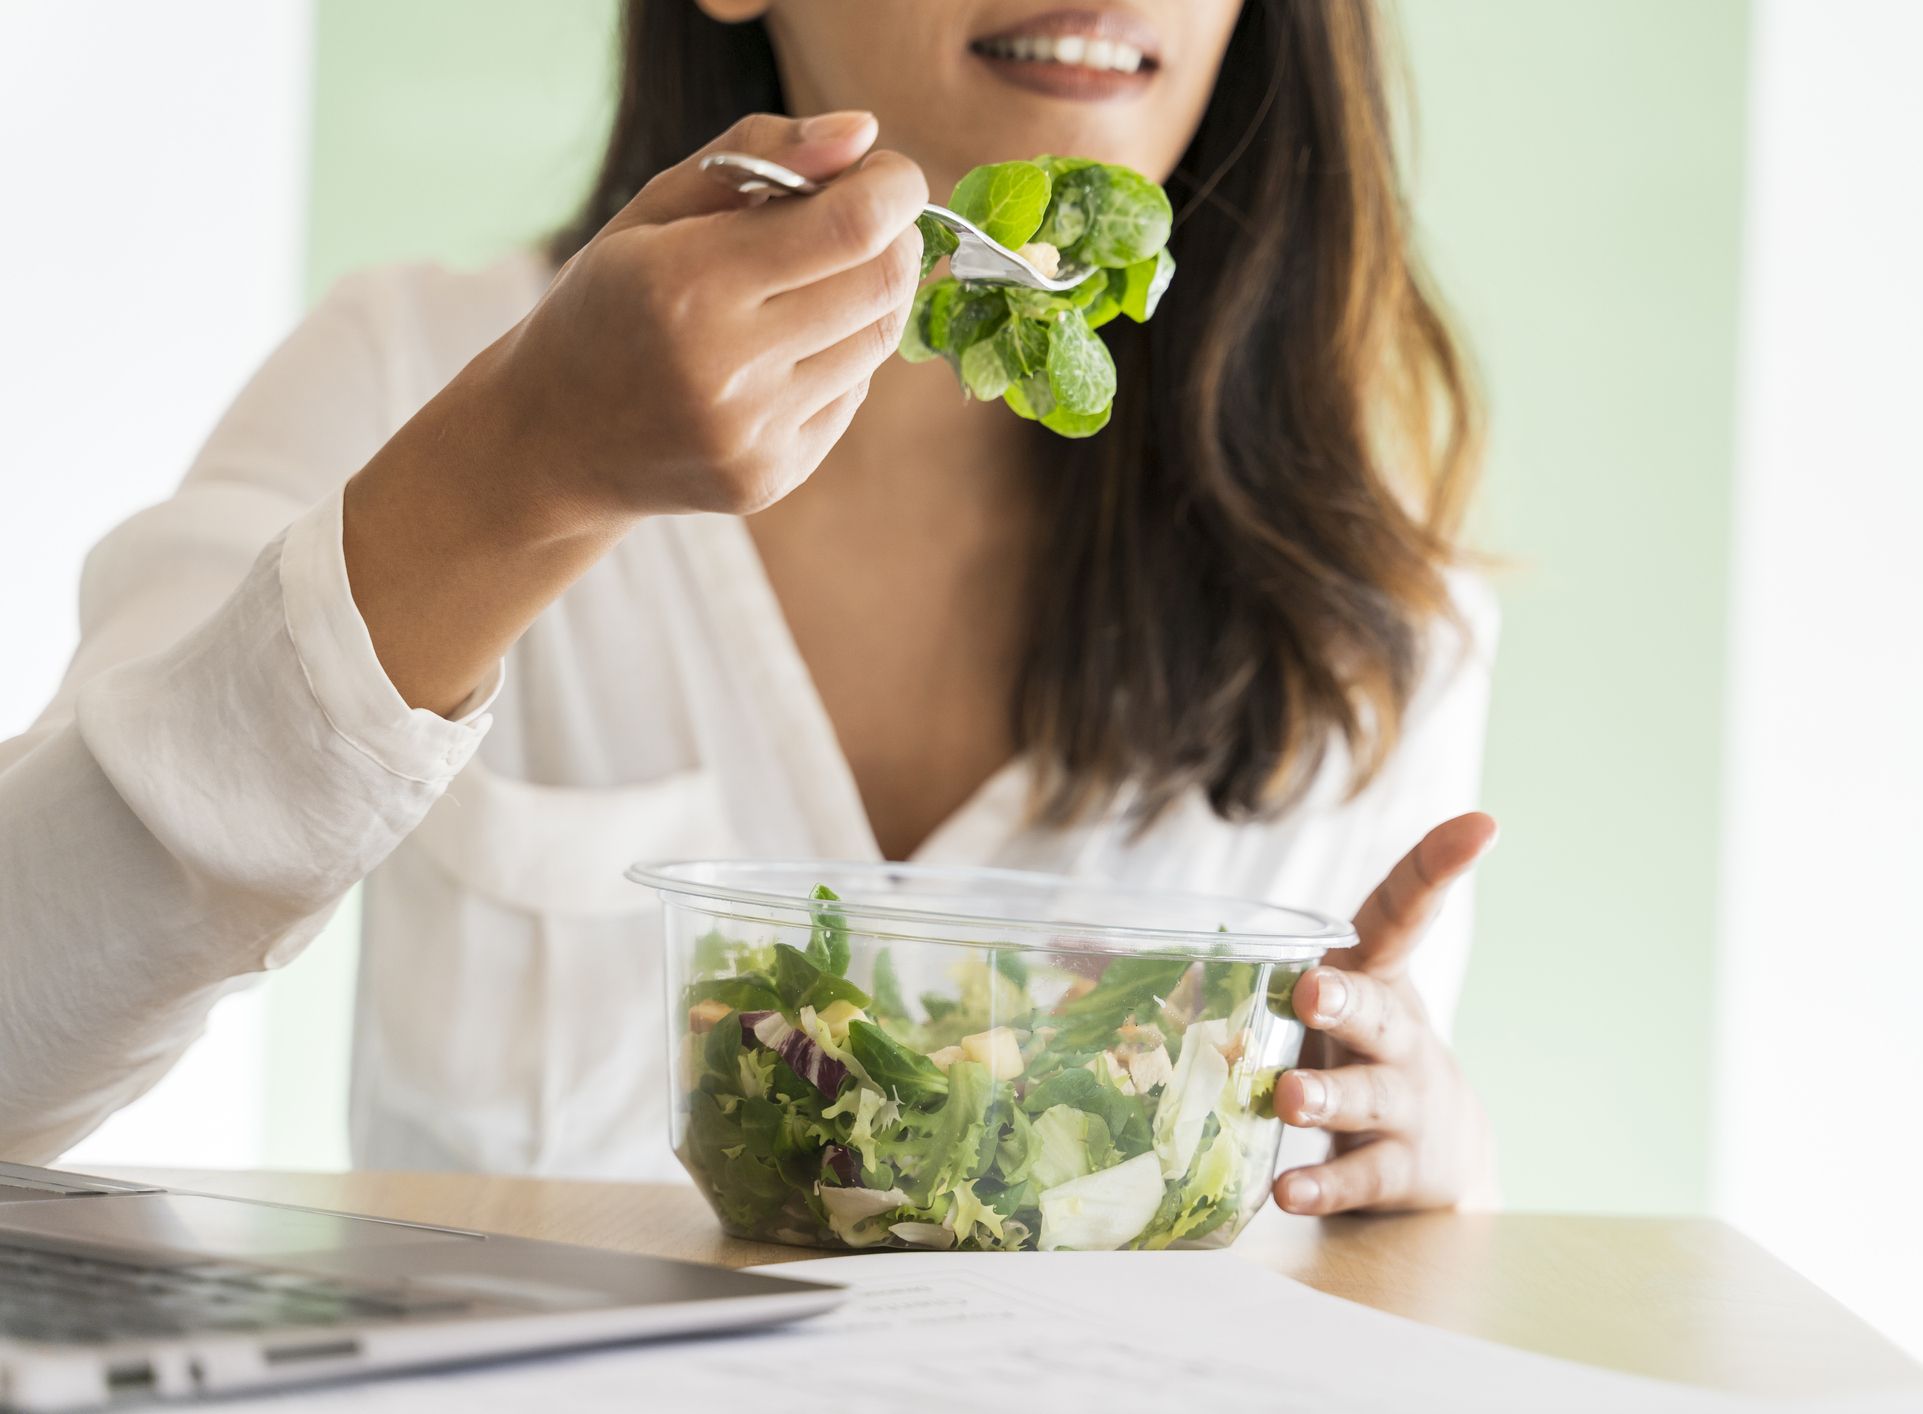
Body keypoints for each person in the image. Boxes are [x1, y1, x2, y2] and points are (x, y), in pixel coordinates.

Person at [0, 0, 1498, 1218]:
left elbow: (1333, 1268)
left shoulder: (1368, 619)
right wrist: (509, 477)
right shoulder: (411, 374)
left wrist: (1426, 1186)